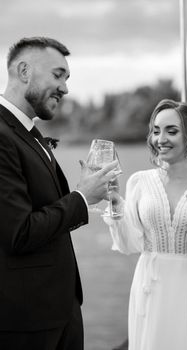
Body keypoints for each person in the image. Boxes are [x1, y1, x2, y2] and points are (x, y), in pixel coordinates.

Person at [0, 37, 117, 350]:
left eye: (67, 79)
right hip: (25, 322)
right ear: (24, 70)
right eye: (57, 74)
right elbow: (18, 232)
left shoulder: (27, 131)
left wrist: (84, 189)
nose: (65, 88)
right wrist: (80, 198)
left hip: (61, 309)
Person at [104, 99, 187, 350]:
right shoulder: (139, 182)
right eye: (155, 130)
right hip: (152, 287)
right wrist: (115, 203)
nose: (160, 139)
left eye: (171, 131)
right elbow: (128, 244)